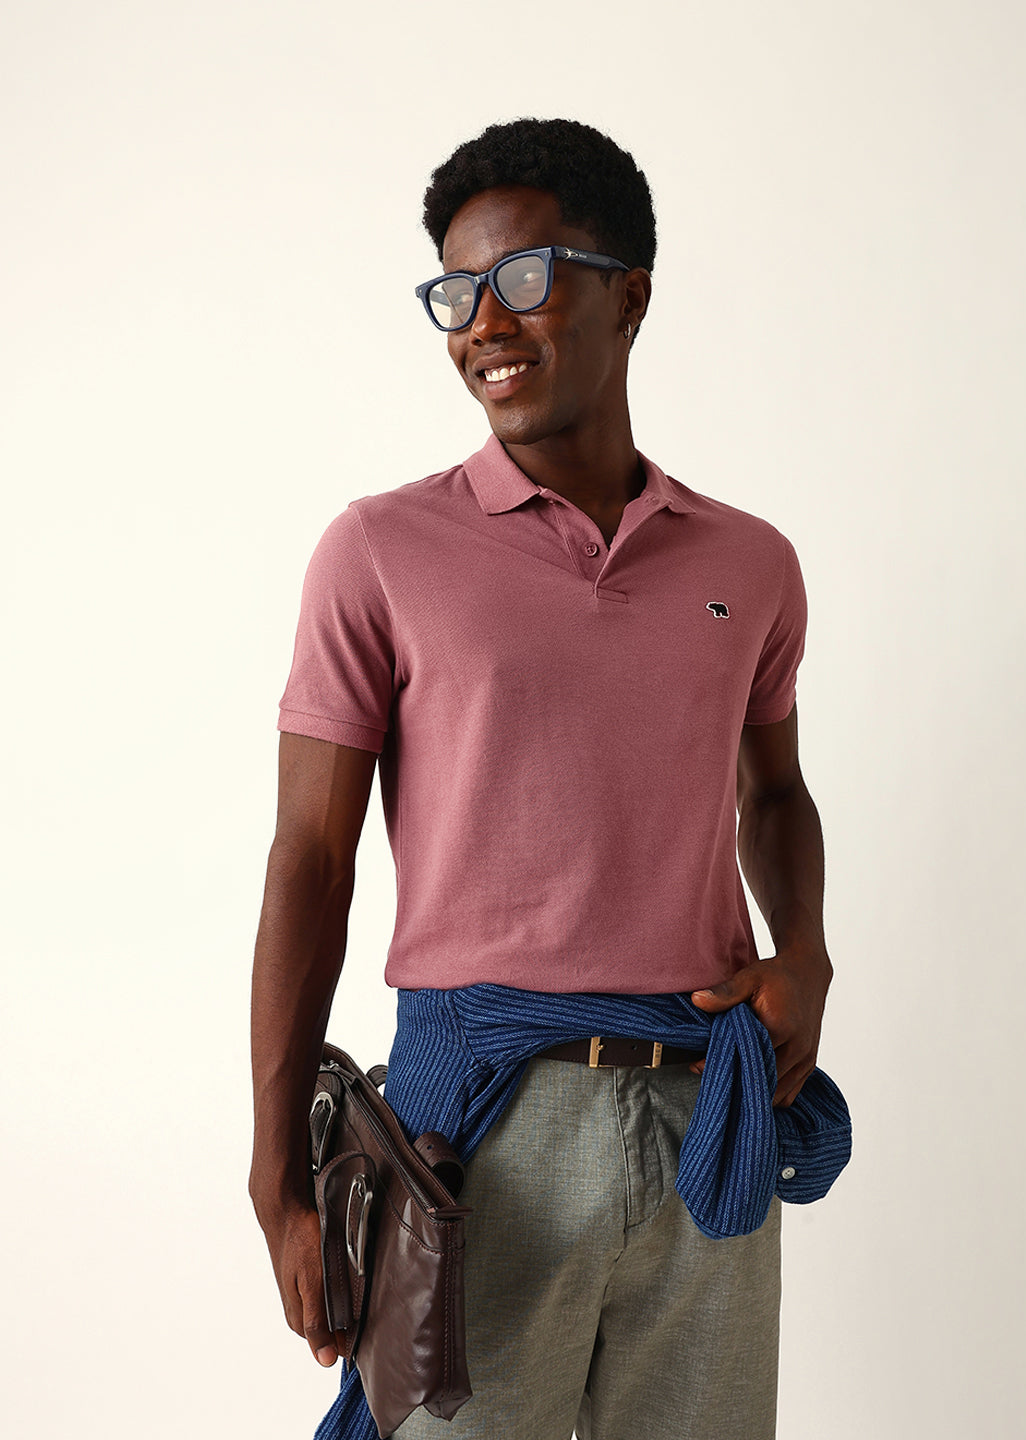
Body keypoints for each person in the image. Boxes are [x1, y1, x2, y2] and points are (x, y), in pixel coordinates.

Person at [250, 117, 840, 1440]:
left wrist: (803, 949)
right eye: (456, 293)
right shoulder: (379, 551)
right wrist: (275, 1165)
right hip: (479, 1138)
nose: (484, 324)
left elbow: (775, 792)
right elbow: (311, 859)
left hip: (709, 1118)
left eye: (522, 278)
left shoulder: (749, 563)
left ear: (631, 297)